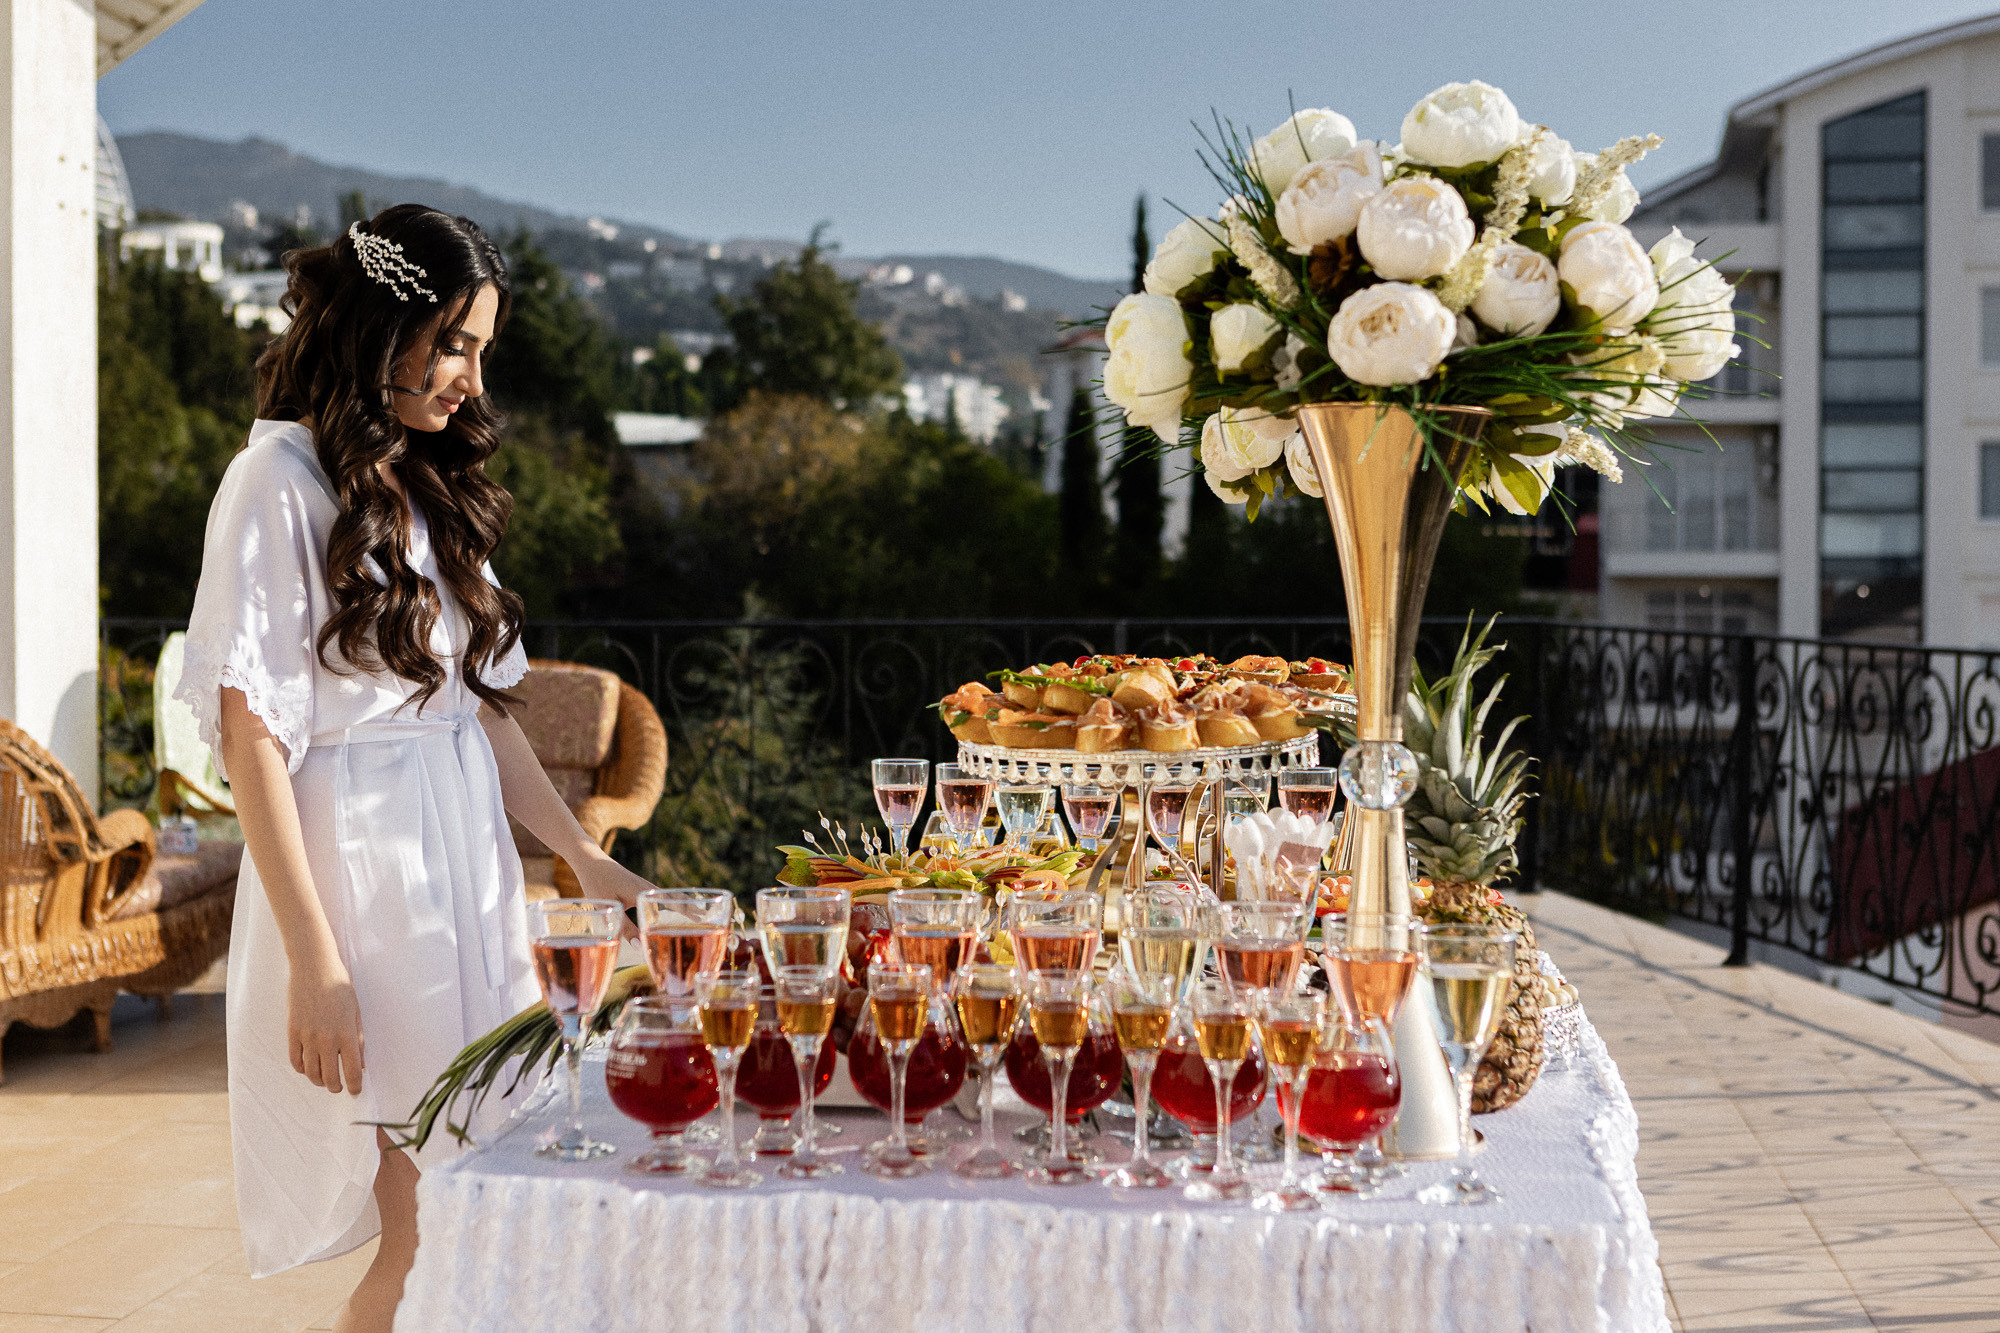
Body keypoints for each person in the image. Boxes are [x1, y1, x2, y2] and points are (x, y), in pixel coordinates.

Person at [176, 204, 654, 1332]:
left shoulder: (429, 484)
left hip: (466, 878)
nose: (468, 379)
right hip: (361, 881)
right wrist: (316, 960)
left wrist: (582, 858)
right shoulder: (276, 483)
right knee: (430, 1232)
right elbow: (252, 737)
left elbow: (478, 715)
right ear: (374, 327)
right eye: (450, 343)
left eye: (481, 349)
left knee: (486, 1214)